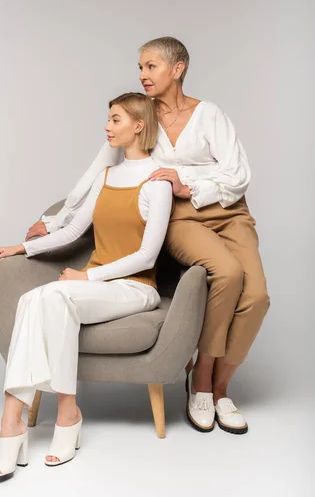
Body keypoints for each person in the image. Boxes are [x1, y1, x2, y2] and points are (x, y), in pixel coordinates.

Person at [28, 36, 270, 436]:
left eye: (151, 66)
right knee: (226, 274)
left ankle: (221, 386)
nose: (142, 74)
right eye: (139, 67)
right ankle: (204, 382)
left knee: (257, 297)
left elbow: (238, 175)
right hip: (180, 219)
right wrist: (55, 220)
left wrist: (187, 180)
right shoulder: (143, 118)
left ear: (178, 69)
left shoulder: (209, 115)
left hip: (229, 213)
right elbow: (98, 172)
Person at [0, 92, 173, 482]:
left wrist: (86, 276)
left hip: (135, 288)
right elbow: (72, 229)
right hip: (92, 289)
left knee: (51, 295)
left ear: (139, 126)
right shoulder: (107, 176)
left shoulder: (157, 182)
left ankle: (18, 423)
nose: (107, 126)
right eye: (108, 119)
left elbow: (146, 256)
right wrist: (21, 247)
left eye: (115, 119)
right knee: (36, 298)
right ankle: (26, 416)